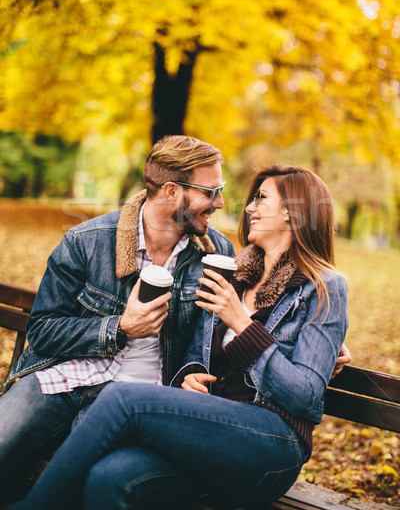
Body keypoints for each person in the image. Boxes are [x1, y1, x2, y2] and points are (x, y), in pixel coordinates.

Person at [12, 165, 349, 510]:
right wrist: (187, 376)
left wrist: (243, 324)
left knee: (123, 400)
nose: (248, 208)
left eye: (261, 199)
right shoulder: (235, 277)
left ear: (294, 213)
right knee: (110, 477)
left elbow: (305, 398)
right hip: (203, 433)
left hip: (270, 445)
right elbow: (194, 350)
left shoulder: (323, 289)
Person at [0, 135, 234, 495]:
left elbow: (226, 321)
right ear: (171, 191)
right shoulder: (87, 241)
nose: (219, 202)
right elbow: (43, 331)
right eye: (211, 191)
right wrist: (120, 327)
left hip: (136, 398)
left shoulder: (215, 253)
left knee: (82, 486)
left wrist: (324, 345)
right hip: (61, 379)